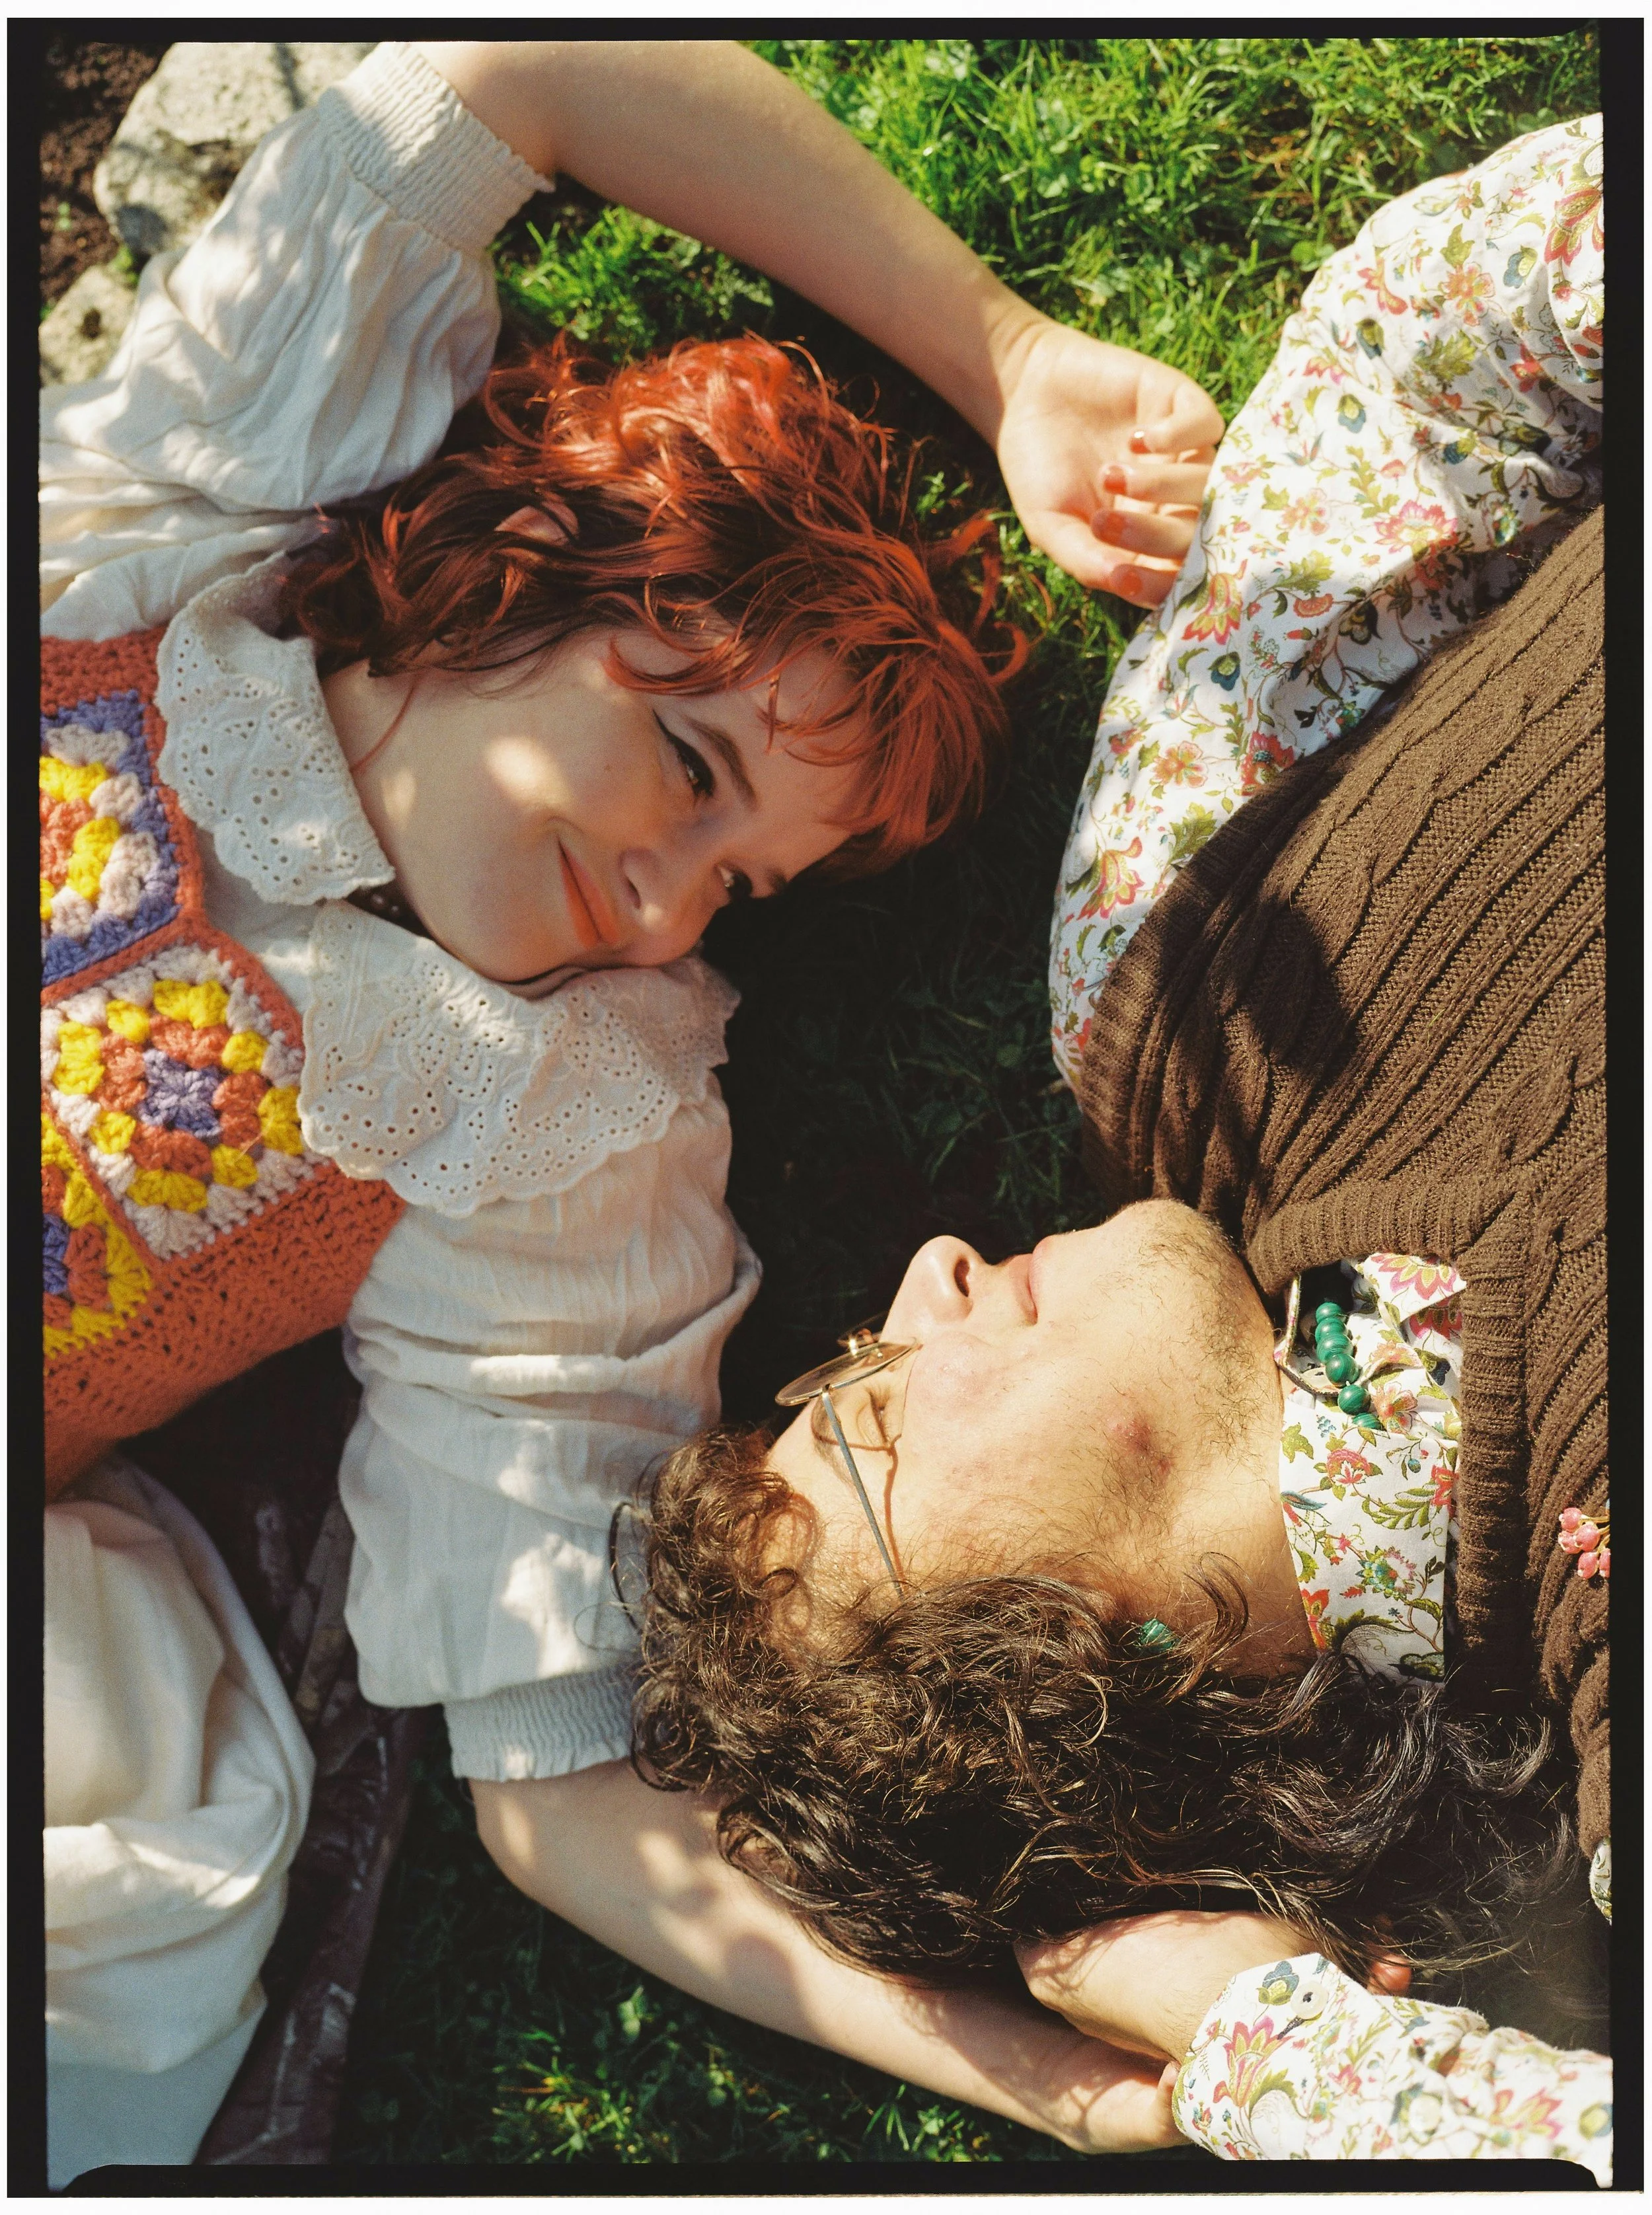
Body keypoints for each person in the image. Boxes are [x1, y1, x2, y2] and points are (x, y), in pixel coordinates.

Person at [41, 38, 1223, 2164]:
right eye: (689, 769)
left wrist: (1053, 2081)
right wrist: (1008, 352)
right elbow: (531, 64)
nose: (670, 903)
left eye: (740, 884)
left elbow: (563, 1777)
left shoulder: (553, 1122)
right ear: (532, 562)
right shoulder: (166, 545)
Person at [620, 116, 1611, 2175]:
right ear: (1076, 1665)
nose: (923, 1283)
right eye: (881, 1409)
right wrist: (1265, 2049)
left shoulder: (1159, 994)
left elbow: (1428, 357)